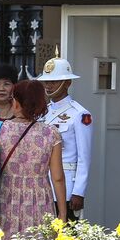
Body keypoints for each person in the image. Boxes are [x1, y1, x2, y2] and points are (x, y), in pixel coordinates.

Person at [0, 79, 68, 240]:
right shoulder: (51, 133)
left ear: (16, 102)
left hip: (6, 197)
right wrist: (62, 214)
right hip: (39, 197)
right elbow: (58, 177)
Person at [36, 55, 93, 220]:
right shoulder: (43, 112)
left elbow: (85, 157)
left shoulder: (80, 114)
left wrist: (78, 191)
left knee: (67, 238)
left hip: (67, 186)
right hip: (43, 184)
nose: (48, 85)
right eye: (47, 81)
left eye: (54, 80)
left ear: (67, 83)